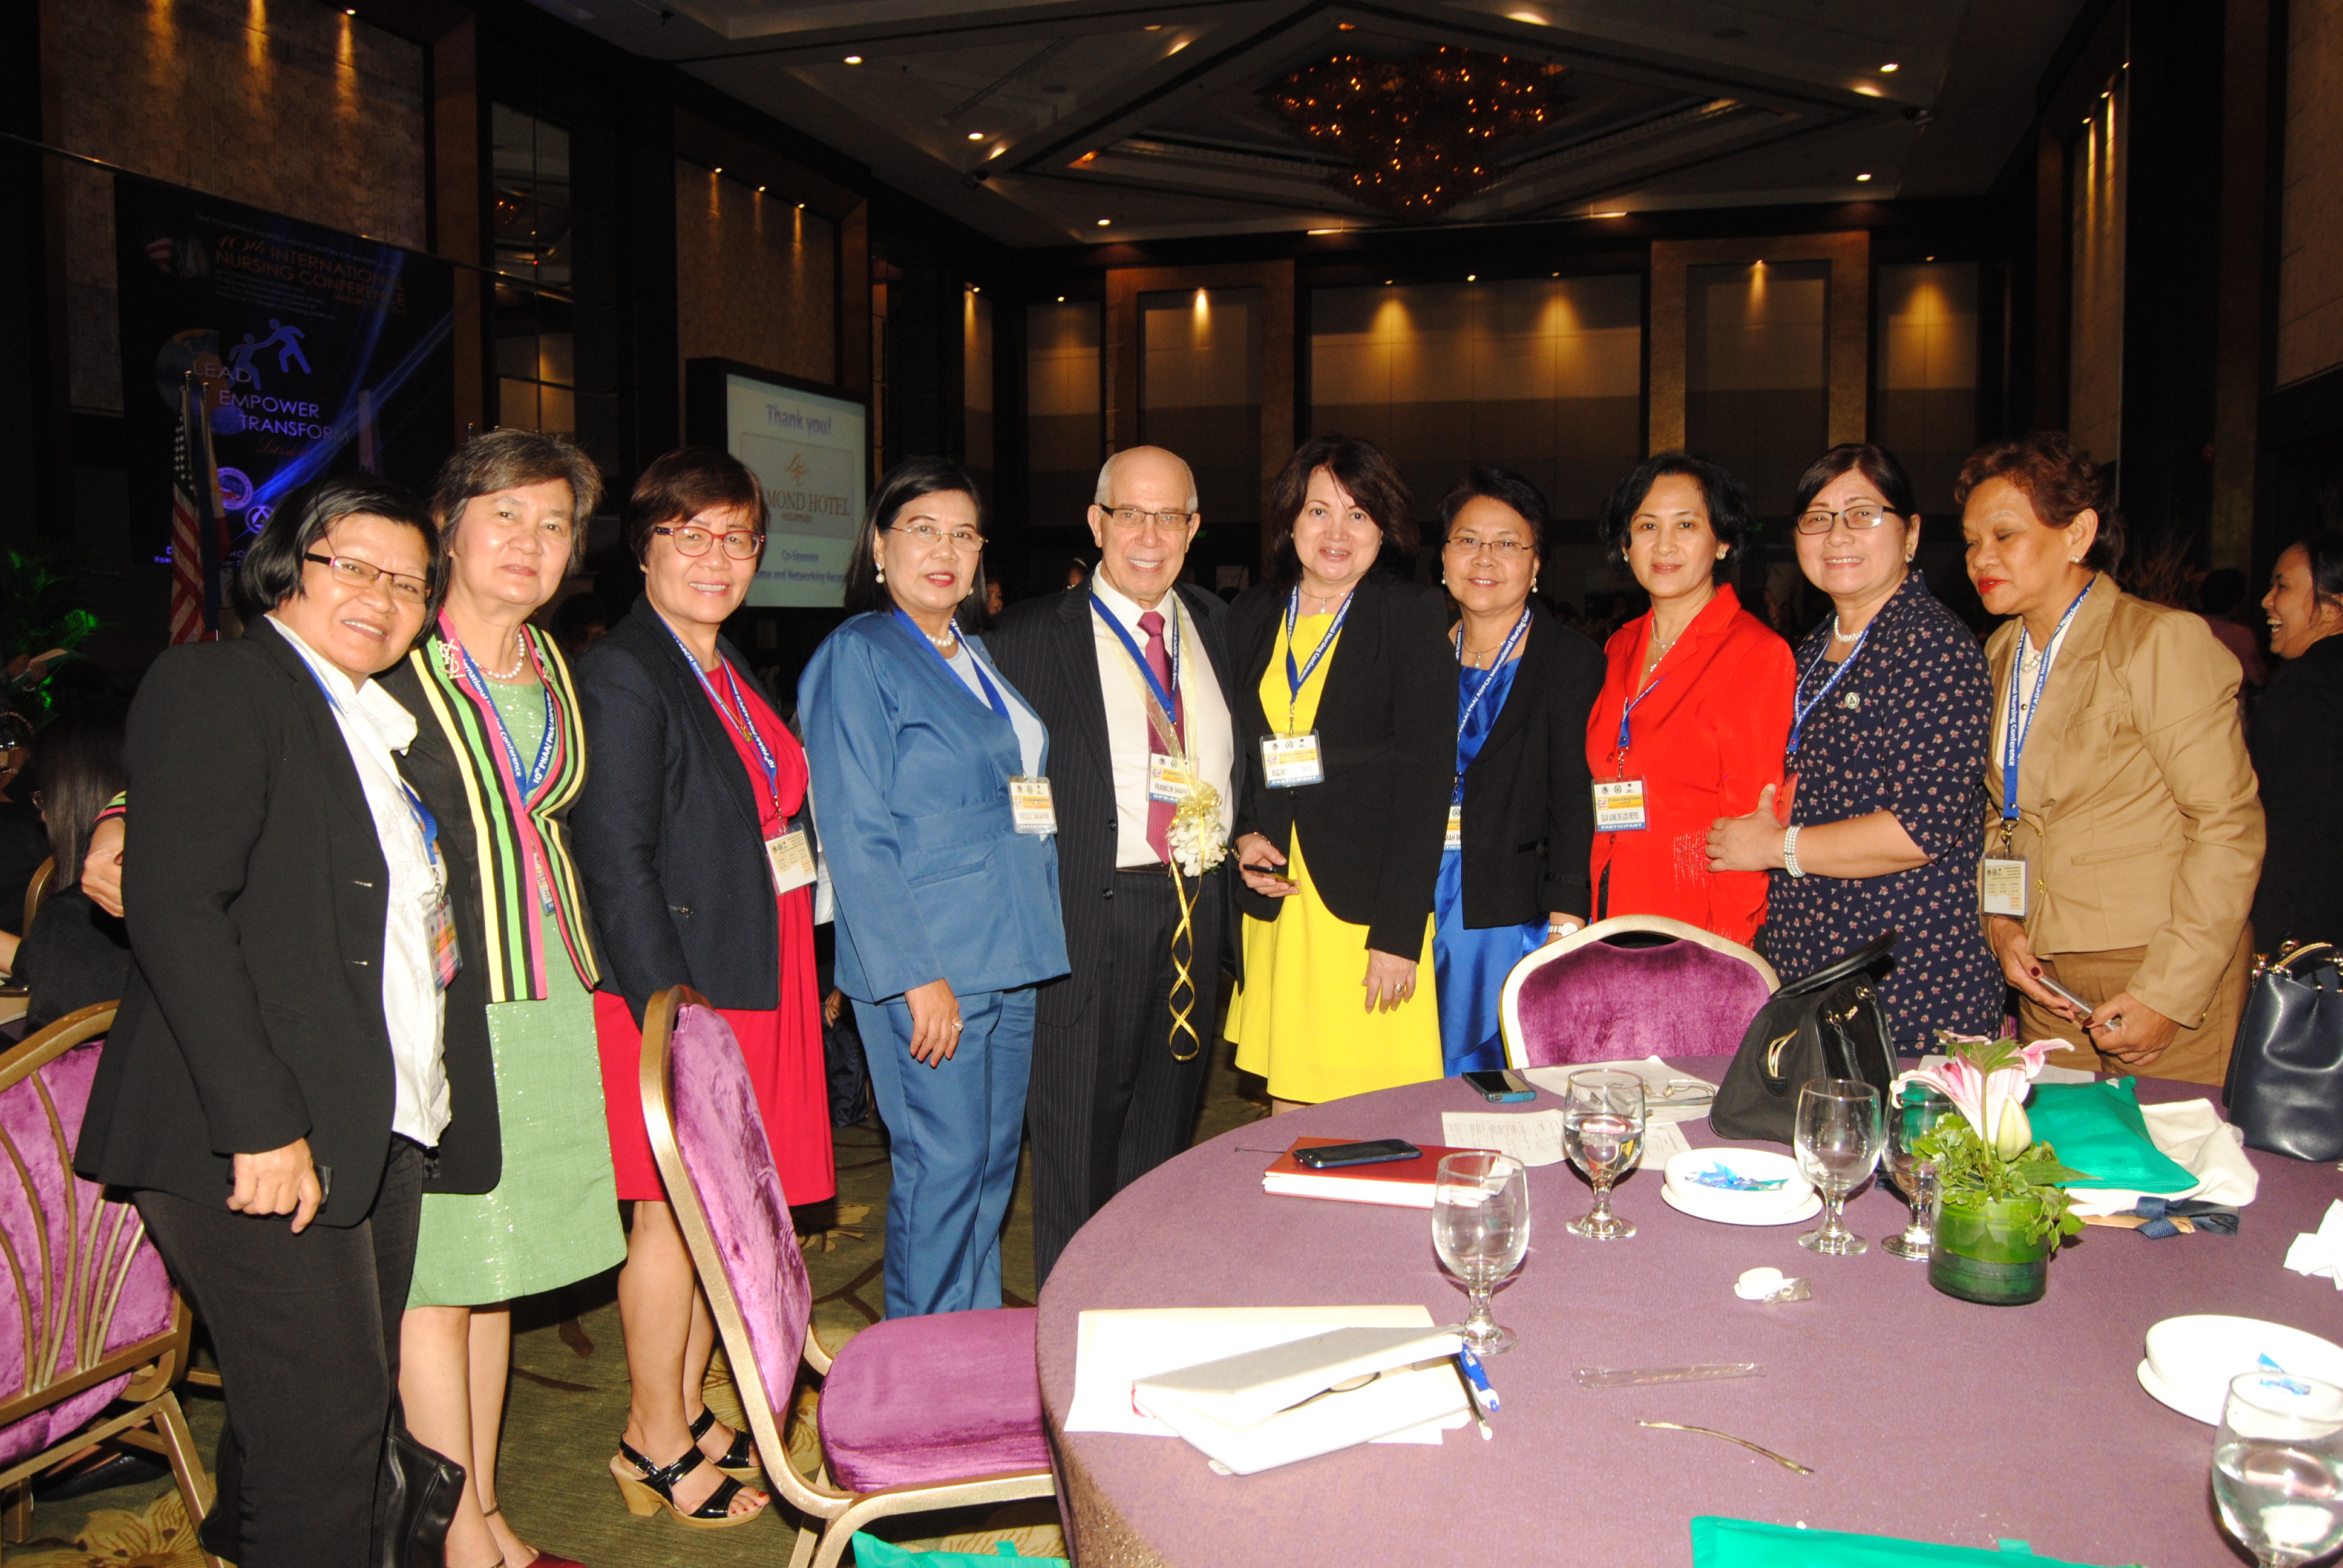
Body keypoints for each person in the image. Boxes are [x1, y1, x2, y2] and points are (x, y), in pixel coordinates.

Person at [74, 477, 448, 1566]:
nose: (383, 597)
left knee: (320, 1413)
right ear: (289, 567)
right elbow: (177, 907)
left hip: (367, 1115)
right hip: (252, 1127)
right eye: (354, 567)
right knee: (327, 1432)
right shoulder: (223, 681)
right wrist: (261, 1122)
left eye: (409, 583)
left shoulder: (372, 719)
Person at [573, 448, 830, 1527]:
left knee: (715, 1216)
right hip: (681, 992)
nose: (717, 557)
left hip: (749, 964)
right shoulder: (627, 671)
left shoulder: (719, 665)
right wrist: (669, 1014)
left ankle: (680, 1404)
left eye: (737, 537)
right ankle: (654, 1441)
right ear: (644, 549)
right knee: (672, 1219)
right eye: (690, 535)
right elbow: (615, 858)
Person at [387, 431, 623, 1568]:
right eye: (506, 515)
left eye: (555, 524)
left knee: (497, 1275)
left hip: (547, 994)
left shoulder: (551, 664)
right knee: (440, 1279)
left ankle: (484, 1511)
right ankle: (449, 1540)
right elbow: (262, 728)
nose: (531, 542)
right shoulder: (391, 650)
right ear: (450, 526)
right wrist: (125, 816)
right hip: (439, 1004)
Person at [799, 459, 1067, 1316]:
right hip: (931, 961)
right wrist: (915, 974)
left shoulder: (971, 654)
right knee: (942, 1169)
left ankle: (969, 1349)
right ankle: (917, 1366)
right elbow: (855, 830)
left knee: (988, 1169)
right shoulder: (859, 654)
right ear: (879, 547)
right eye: (922, 530)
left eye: (963, 534)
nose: (944, 550)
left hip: (1009, 950)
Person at [985, 446, 1242, 1287]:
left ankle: (1140, 1314)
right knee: (1075, 1158)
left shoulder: (1219, 625)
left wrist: (1248, 838)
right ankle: (1070, 1338)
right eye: (1130, 514)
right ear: (1097, 523)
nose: (1149, 535)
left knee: (1161, 1156)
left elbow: (1242, 763)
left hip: (1194, 911)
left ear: (1193, 529)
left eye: (1169, 517)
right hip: (1083, 921)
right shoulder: (1026, 638)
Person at [1963, 433, 2264, 1084]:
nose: (1980, 557)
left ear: (2077, 533)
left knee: (2168, 1147)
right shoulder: (1999, 652)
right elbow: (2002, 814)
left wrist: (2168, 993)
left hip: (2154, 964)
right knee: (2059, 1148)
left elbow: (2227, 826)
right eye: (1971, 541)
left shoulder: (2156, 640)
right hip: (2045, 977)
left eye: (2004, 535)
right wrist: (2002, 925)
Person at [1703, 445, 2002, 1045]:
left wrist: (1776, 846)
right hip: (1811, 962)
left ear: (1910, 534)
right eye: (1817, 518)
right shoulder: (1814, 647)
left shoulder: (1930, 646)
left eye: (1862, 514)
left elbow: (1920, 830)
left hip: (1904, 976)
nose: (1836, 535)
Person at [1225, 434, 1451, 1109]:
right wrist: (1242, 834)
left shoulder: (1409, 614)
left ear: (1384, 529)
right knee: (1290, 1102)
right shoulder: (1252, 614)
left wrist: (1398, 934)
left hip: (1366, 907)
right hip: (1279, 897)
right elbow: (1233, 750)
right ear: (1290, 520)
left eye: (1358, 515)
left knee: (1375, 1106)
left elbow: (1426, 781)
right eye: (1318, 511)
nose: (1336, 533)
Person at [1432, 468, 1603, 1074]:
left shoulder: (1570, 661)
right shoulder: (1420, 652)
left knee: (1498, 1069)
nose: (1485, 557)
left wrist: (1566, 919)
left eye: (1507, 543)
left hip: (1512, 910)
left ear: (1535, 566)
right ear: (1444, 558)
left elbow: (1574, 797)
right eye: (1467, 540)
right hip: (1418, 895)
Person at [1584, 452, 1792, 944]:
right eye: (1647, 526)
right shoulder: (1619, 647)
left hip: (1696, 926)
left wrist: (1727, 953)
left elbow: (1749, 826)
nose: (1664, 545)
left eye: (1686, 525)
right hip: (1612, 908)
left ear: (1722, 542)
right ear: (1626, 544)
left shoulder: (1754, 653)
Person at [2, 705, 130, 1031]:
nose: (44, 816)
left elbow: (53, 1047)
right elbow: (56, 962)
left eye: (48, 797)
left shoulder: (75, 912)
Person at [2249, 531, 2343, 950]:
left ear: (2333, 606)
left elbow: (2295, 821)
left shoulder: (2309, 684)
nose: (2267, 601)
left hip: (2311, 930)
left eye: (2282, 586)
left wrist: (2272, 937)